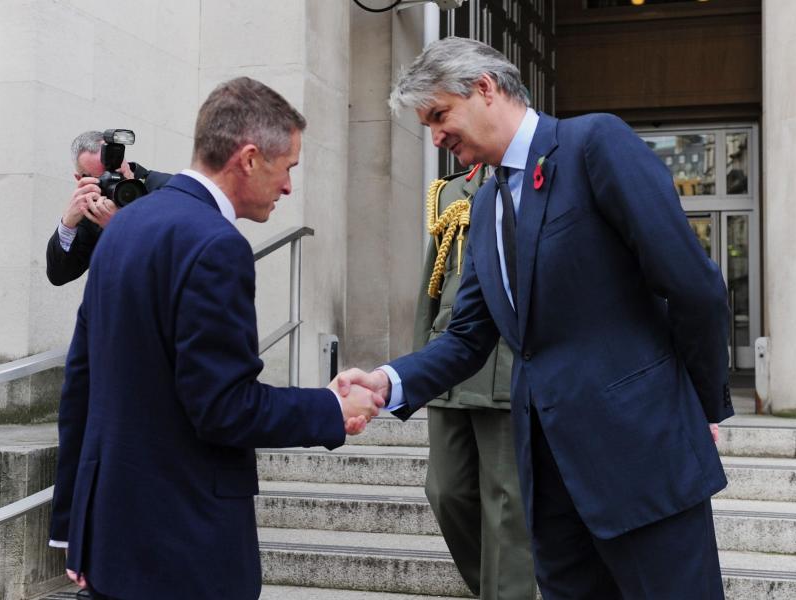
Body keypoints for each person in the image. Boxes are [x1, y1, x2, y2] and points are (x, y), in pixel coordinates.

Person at [342, 37, 734, 599]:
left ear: (485, 88)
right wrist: (386, 382)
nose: (435, 137)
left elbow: (694, 286)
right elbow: (468, 337)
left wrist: (698, 403)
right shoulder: (482, 204)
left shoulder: (593, 144)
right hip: (549, 480)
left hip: (641, 459)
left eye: (438, 115)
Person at [48, 78, 385, 600]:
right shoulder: (215, 244)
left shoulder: (123, 229)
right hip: (186, 549)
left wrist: (74, 527)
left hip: (112, 544)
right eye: (288, 167)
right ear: (249, 158)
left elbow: (81, 387)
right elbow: (225, 408)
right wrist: (329, 407)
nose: (290, 187)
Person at [415, 163, 535, 599]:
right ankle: (497, 587)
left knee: (506, 505)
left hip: (505, 365)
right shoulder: (449, 192)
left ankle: (508, 592)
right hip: (448, 363)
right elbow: (432, 285)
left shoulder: (535, 181)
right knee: (445, 491)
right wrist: (420, 368)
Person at [45, 130, 172, 286]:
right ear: (81, 179)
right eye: (102, 179)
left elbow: (175, 256)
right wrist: (68, 223)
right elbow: (59, 276)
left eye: (115, 171)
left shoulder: (167, 188)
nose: (113, 180)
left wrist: (120, 225)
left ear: (123, 160)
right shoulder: (92, 207)